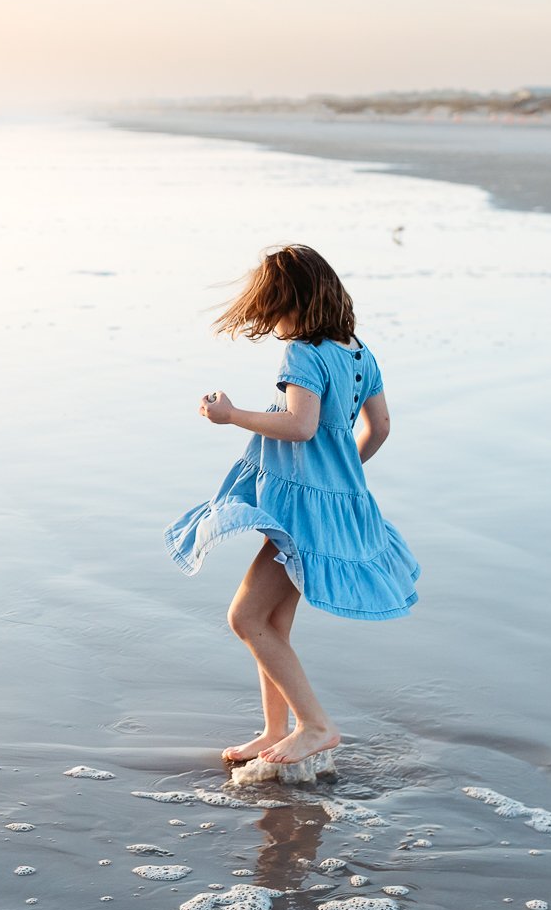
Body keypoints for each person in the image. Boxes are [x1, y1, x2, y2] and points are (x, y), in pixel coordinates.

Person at [164, 245, 418, 767]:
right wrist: (339, 477)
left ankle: (315, 725)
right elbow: (381, 427)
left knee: (244, 617)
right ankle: (273, 729)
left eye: (270, 306)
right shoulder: (358, 352)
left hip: (304, 514)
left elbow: (300, 426)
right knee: (273, 620)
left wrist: (233, 416)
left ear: (288, 301)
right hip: (326, 506)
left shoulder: (303, 352)